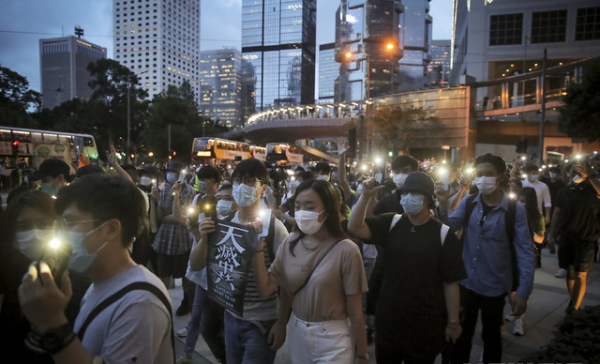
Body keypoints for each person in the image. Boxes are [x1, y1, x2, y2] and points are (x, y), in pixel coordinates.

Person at [18, 174, 174, 363]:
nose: (60, 233)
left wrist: (52, 322)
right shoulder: (100, 282)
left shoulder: (140, 301)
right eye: (60, 224)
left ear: (111, 229)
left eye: (71, 224)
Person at [349, 173, 466, 363]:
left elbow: (450, 282)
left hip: (425, 323)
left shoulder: (443, 234)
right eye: (405, 192)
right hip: (389, 319)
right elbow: (355, 228)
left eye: (415, 192)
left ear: (428, 198)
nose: (407, 197)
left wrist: (453, 322)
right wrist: (365, 196)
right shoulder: (391, 222)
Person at [253, 179, 369, 363]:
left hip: (332, 339)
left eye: (310, 206)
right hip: (297, 333)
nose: (301, 213)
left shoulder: (347, 250)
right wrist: (257, 247)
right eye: (298, 206)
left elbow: (355, 310)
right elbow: (269, 288)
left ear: (328, 209)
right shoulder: (290, 242)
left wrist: (363, 354)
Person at [188, 159, 289, 364]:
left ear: (263, 189)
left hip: (262, 320)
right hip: (231, 316)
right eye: (238, 180)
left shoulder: (274, 228)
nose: (243, 186)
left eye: (251, 181)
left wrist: (281, 323)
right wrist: (203, 239)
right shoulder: (223, 223)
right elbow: (196, 265)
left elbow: (287, 281)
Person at [438, 153, 535, 364]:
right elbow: (447, 229)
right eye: (479, 174)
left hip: (495, 286)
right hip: (465, 283)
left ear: (500, 176)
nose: (483, 179)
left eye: (488, 174)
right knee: (460, 338)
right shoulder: (470, 202)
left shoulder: (513, 210)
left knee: (491, 339)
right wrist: (444, 204)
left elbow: (526, 252)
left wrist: (523, 292)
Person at [0, 190, 89, 362]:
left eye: (44, 224)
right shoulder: (6, 273)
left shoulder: (72, 279)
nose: (35, 233)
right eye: (24, 227)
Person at [549, 161, 600, 313]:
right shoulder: (565, 190)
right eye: (574, 170)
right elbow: (557, 213)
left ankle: (575, 309)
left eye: (580, 170)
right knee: (570, 271)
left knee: (580, 273)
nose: (577, 172)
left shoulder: (593, 188)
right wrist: (552, 235)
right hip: (566, 236)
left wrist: (590, 175)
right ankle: (574, 301)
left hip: (587, 236)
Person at [152, 160, 195, 315]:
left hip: (180, 238)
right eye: (169, 172)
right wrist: (157, 202)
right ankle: (162, 303)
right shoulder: (165, 189)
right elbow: (160, 213)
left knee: (184, 275)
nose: (170, 175)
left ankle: (187, 302)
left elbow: (180, 216)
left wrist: (165, 217)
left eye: (174, 172)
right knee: (163, 272)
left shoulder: (187, 191)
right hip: (164, 238)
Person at [505, 187, 545, 336]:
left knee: (522, 288)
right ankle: (515, 312)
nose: (522, 205)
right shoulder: (511, 213)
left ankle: (519, 320)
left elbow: (541, 238)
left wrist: (528, 231)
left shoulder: (537, 216)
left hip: (525, 255)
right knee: (512, 290)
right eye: (520, 201)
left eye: (525, 202)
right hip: (511, 256)